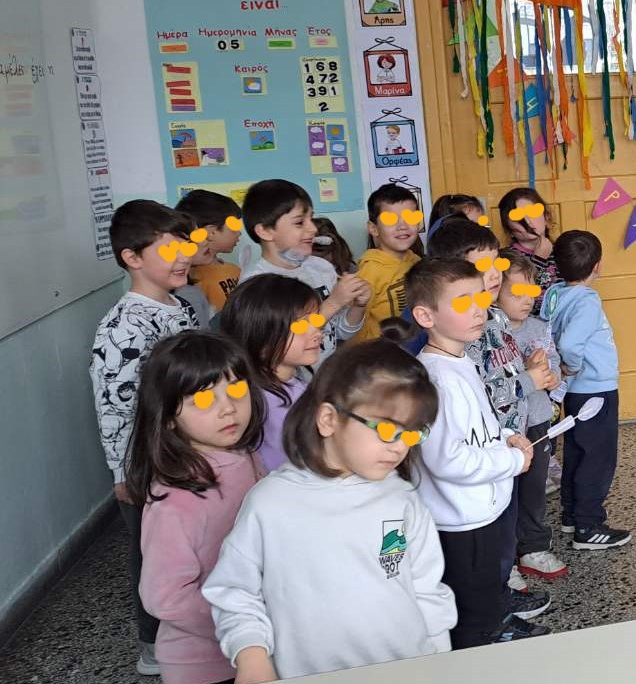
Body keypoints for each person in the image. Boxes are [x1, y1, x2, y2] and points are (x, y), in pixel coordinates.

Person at [203, 343, 456, 683]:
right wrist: (251, 654)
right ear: (329, 420)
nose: (400, 446)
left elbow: (428, 592)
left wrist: (440, 664)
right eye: (386, 429)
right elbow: (235, 592)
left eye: (412, 433)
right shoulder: (270, 503)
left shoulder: (403, 499)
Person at [405, 257, 546, 647]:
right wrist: (511, 461)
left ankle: (495, 626)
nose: (478, 309)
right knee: (471, 614)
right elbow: (446, 459)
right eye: (462, 301)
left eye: (480, 297)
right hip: (464, 522)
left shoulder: (461, 359)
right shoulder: (436, 379)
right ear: (425, 316)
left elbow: (478, 423)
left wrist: (506, 437)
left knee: (487, 593)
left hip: (483, 509)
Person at [91, 199, 202, 677]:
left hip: (187, 452)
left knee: (187, 545)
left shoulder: (180, 306)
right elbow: (112, 405)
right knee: (152, 554)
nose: (184, 256)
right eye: (169, 249)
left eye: (185, 245)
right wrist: (122, 471)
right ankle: (152, 643)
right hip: (147, 462)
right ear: (132, 257)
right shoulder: (123, 325)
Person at [126, 332, 263, 684]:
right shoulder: (176, 499)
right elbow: (164, 596)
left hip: (257, 646)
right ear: (168, 416)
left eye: (236, 389)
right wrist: (243, 627)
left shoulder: (244, 456)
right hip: (204, 665)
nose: (228, 407)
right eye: (203, 399)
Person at [542, 231, 631, 550]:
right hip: (596, 390)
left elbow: (546, 331)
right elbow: (569, 344)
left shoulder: (554, 293)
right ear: (597, 266)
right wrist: (572, 365)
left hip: (574, 392)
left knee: (578, 451)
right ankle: (589, 526)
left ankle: (572, 515)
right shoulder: (587, 300)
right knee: (598, 458)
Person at [239, 179, 369, 360]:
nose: (313, 228)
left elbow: (339, 332)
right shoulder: (256, 283)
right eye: (300, 222)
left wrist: (358, 306)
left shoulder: (322, 268)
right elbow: (279, 342)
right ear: (265, 231)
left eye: (311, 219)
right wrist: (333, 303)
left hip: (326, 373)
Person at [498, 249, 568, 582]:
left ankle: (533, 547)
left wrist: (552, 377)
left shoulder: (540, 327)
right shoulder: (488, 333)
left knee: (533, 488)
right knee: (505, 493)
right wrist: (527, 372)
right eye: (516, 293)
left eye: (531, 291)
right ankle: (505, 558)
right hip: (506, 429)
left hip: (538, 420)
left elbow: (554, 365)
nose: (527, 300)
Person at [218, 276, 323, 472]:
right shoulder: (261, 403)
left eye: (315, 321)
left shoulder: (292, 383)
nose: (316, 332)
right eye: (300, 326)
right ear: (259, 334)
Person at [353, 184, 422, 343]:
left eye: (410, 218)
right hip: (381, 351)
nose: (402, 226)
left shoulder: (416, 261)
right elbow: (356, 322)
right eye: (391, 220)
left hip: (413, 345)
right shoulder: (370, 271)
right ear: (374, 229)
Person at [175, 189, 244, 311]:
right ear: (211, 232)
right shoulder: (190, 281)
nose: (239, 233)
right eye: (233, 228)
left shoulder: (235, 270)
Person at [498, 187, 560, 313]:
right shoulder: (504, 259)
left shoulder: (562, 250)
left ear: (546, 217)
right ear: (509, 228)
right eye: (518, 218)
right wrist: (538, 260)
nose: (528, 222)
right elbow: (514, 300)